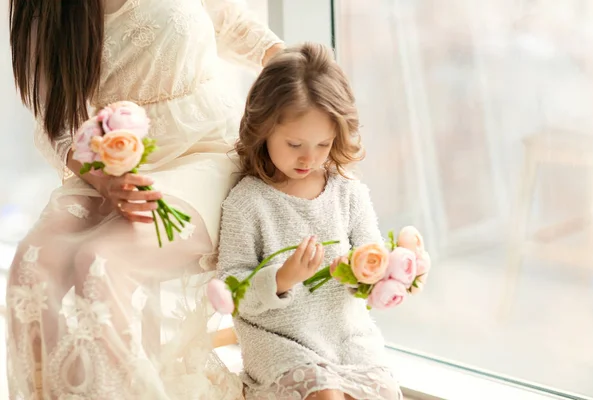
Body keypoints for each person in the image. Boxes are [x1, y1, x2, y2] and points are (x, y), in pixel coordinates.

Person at [6, 0, 283, 398]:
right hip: (110, 168)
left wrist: (299, 74)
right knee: (32, 267)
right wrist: (104, 181)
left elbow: (234, 24)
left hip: (205, 152)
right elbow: (56, 121)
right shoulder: (44, 9)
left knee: (100, 262)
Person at [216, 42, 401, 400]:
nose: (309, 158)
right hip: (280, 342)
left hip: (348, 338)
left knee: (380, 393)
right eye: (295, 144)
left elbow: (371, 257)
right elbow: (230, 288)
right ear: (263, 128)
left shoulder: (349, 193)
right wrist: (283, 278)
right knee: (324, 395)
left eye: (323, 144)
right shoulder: (248, 202)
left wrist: (378, 273)